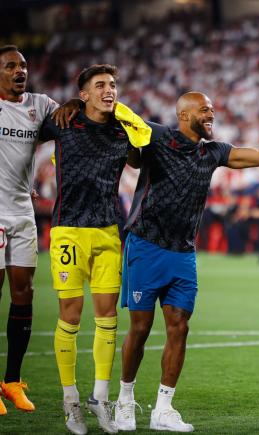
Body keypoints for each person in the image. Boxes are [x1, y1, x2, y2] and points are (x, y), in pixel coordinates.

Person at [114, 91, 259, 432]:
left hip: (183, 252)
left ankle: (163, 409)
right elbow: (128, 147)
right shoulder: (156, 135)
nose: (211, 114)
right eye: (205, 109)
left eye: (212, 109)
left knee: (179, 327)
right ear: (184, 114)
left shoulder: (213, 151)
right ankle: (124, 399)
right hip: (146, 245)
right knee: (139, 328)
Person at [38, 63, 150, 435]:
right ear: (83, 93)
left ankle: (99, 397)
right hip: (68, 231)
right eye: (100, 85)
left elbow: (141, 156)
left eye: (113, 85)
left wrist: (129, 120)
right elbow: (22, 140)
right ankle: (70, 399)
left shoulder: (122, 130)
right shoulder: (62, 122)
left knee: (107, 319)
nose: (109, 90)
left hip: (106, 232)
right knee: (70, 315)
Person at [0, 44, 58, 416]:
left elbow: (71, 120)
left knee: (25, 294)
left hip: (23, 210)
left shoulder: (41, 105)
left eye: (22, 65)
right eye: (10, 66)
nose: (20, 71)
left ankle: (12, 381)